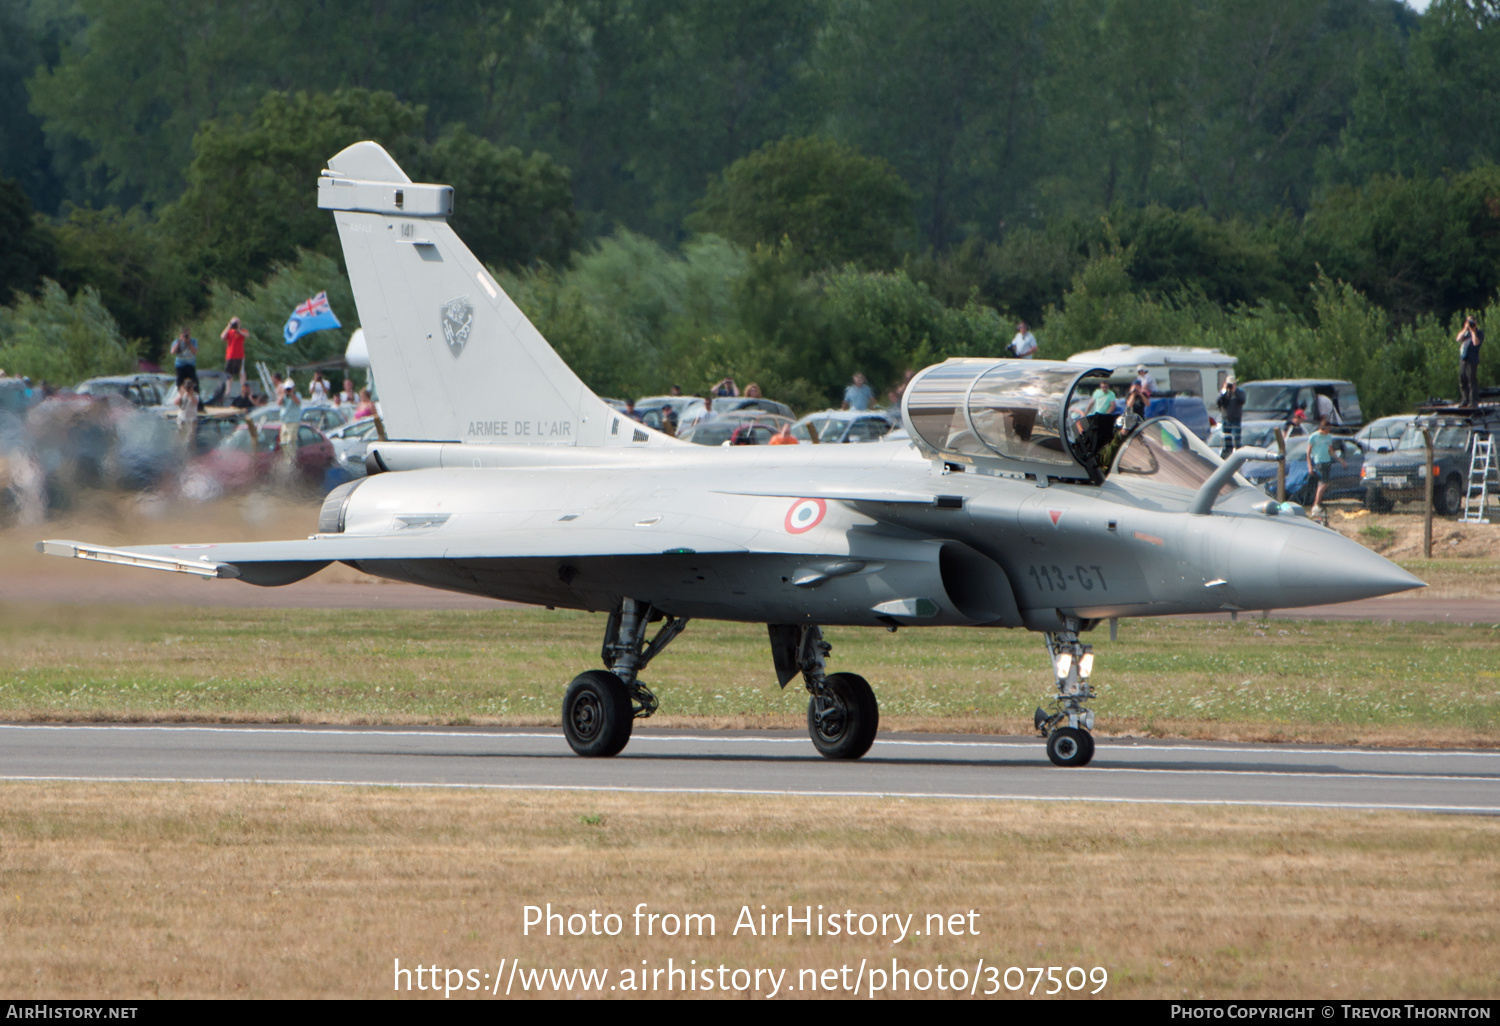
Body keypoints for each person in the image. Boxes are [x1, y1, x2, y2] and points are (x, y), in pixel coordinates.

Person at [1306, 417, 1345, 515]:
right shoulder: (1314, 436)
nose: (1329, 431)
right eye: (1328, 429)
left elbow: (1331, 451)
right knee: (1324, 483)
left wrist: (1341, 461)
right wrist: (1310, 466)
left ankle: (1317, 504)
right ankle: (1316, 505)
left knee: (1324, 483)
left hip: (1327, 461)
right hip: (1319, 461)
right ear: (1324, 428)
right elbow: (1308, 452)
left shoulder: (1328, 437)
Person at [1217, 375, 1246, 456]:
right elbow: (1218, 401)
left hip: (1235, 419)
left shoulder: (1239, 392)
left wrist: (1234, 391)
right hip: (1225, 419)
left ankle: (1239, 453)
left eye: (1232, 384)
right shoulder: (1223, 392)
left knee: (1237, 439)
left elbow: (1242, 400)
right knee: (1227, 439)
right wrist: (1224, 391)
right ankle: (1227, 453)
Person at [1458, 315, 1484, 407]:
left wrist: (1473, 331)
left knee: (1471, 380)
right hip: (1463, 358)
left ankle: (1473, 401)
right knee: (1462, 379)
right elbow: (1458, 339)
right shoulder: (1466, 333)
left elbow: (1476, 343)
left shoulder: (1479, 332)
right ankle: (1465, 399)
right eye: (1469, 321)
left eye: (1472, 322)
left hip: (1472, 359)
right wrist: (1466, 329)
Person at [220, 317, 246, 387]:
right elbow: (222, 337)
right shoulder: (229, 332)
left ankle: (243, 388)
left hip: (240, 356)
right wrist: (229, 326)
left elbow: (246, 335)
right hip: (230, 356)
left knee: (241, 372)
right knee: (229, 373)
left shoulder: (242, 331)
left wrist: (238, 330)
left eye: (236, 323)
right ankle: (228, 390)